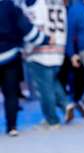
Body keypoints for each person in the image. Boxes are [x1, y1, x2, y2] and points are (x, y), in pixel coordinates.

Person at [21, 0, 76, 129]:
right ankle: (65, 104)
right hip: (58, 49)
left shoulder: (37, 4)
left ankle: (52, 120)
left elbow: (35, 27)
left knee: (44, 90)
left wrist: (26, 50)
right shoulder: (59, 4)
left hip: (40, 51)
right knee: (52, 82)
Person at [0, 0, 51, 136]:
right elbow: (26, 28)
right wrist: (44, 39)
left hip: (9, 55)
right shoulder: (10, 6)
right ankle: (12, 127)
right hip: (10, 56)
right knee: (10, 94)